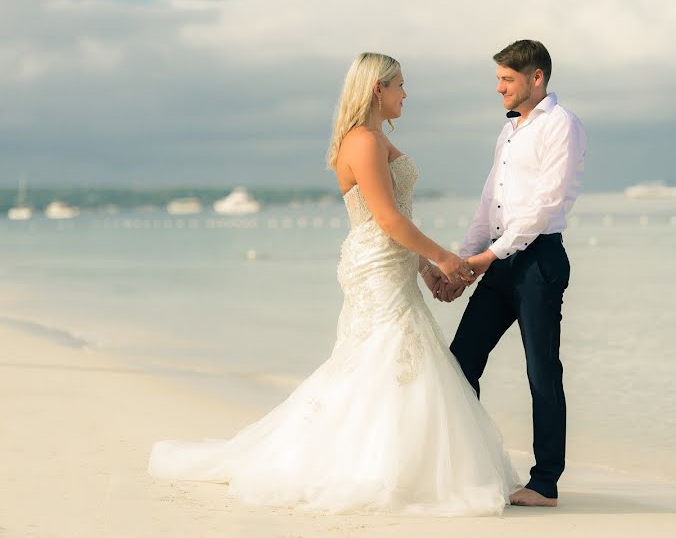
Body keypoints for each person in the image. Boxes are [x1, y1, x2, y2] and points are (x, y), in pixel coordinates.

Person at [148, 52, 520, 516]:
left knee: (389, 358)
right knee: (384, 356)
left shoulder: (374, 138)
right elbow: (385, 218)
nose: (407, 93)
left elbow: (397, 216)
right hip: (376, 262)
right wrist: (442, 257)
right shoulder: (362, 141)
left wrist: (423, 268)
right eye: (400, 84)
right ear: (376, 89)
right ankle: (370, 466)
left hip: (389, 260)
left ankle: (396, 461)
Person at [439, 39, 587, 507]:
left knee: (541, 371)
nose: (499, 87)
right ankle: (470, 465)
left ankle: (545, 483)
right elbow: (490, 202)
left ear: (535, 78)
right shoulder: (509, 132)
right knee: (461, 362)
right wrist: (464, 260)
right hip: (500, 261)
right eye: (499, 78)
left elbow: (544, 206)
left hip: (538, 261)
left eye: (507, 79)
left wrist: (486, 258)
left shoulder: (562, 126)